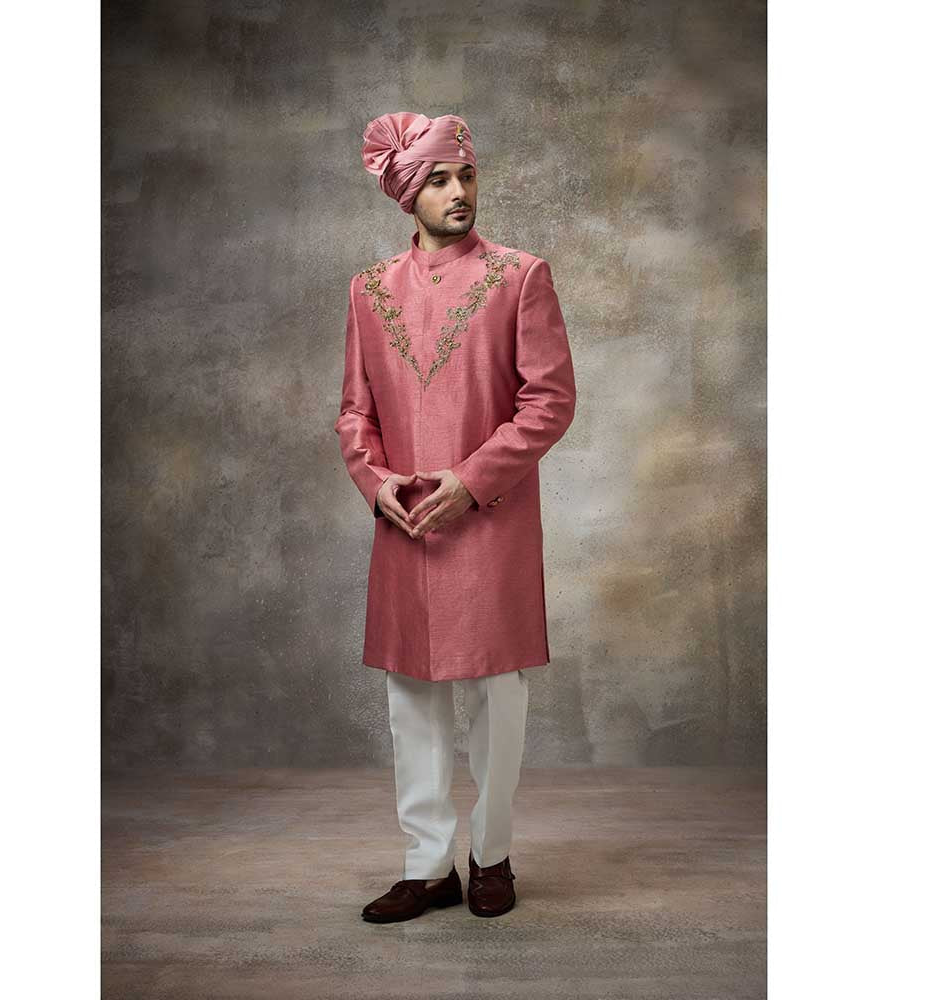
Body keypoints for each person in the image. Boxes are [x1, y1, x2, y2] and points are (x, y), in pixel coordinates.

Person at [334, 111, 576, 922]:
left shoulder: (520, 276)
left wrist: (471, 482)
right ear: (407, 193)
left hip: (489, 518)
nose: (458, 191)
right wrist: (375, 483)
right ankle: (427, 865)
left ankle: (491, 854)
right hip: (406, 519)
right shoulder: (368, 290)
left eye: (466, 175)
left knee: (497, 690)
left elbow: (549, 402)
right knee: (411, 693)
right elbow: (354, 412)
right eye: (438, 179)